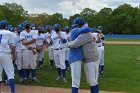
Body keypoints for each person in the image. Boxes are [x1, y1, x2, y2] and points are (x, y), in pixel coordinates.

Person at [68, 17, 99, 93]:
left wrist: (69, 44)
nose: (76, 27)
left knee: (93, 81)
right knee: (90, 80)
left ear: (80, 25)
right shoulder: (83, 32)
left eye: (77, 26)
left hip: (92, 59)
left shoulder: (86, 34)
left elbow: (74, 44)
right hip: (87, 60)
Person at [0, 20, 15, 93]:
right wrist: (13, 53)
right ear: (6, 26)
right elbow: (11, 45)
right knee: (10, 74)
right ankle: (12, 91)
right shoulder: (9, 33)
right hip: (5, 53)